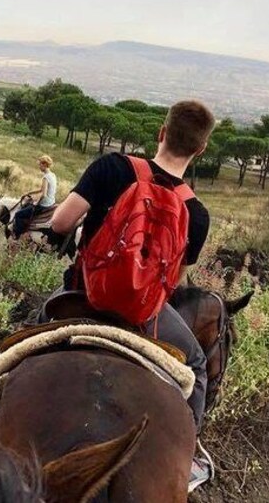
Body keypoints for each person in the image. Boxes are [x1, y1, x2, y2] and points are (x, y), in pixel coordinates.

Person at [50, 100, 214, 485]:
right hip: (144, 315)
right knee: (198, 366)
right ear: (200, 149)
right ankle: (188, 456)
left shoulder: (112, 167)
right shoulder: (197, 212)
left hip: (83, 294)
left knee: (26, 341)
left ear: (161, 132)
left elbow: (60, 223)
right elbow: (173, 283)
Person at [13, 155, 57, 239]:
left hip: (44, 204)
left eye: (40, 165)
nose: (39, 167)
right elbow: (42, 189)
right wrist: (30, 192)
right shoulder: (53, 175)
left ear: (44, 164)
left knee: (18, 214)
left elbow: (43, 194)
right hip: (51, 202)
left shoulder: (45, 177)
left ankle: (17, 236)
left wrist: (37, 202)